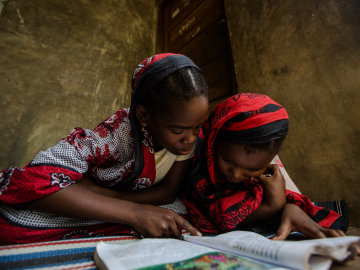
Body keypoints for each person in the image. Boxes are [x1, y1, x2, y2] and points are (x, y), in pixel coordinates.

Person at [0, 53, 208, 245]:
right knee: (11, 220)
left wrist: (107, 196)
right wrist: (135, 213)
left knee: (181, 214)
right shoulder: (117, 132)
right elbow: (38, 179)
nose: (190, 139)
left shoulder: (187, 136)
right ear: (144, 115)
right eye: (178, 130)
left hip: (113, 198)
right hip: (95, 200)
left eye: (198, 126)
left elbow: (168, 192)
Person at [181, 93, 348, 239]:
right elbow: (219, 217)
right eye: (228, 160)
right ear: (213, 141)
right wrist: (273, 207)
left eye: (252, 170)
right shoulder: (193, 151)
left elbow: (292, 197)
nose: (236, 175)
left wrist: (287, 208)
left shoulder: (264, 174)